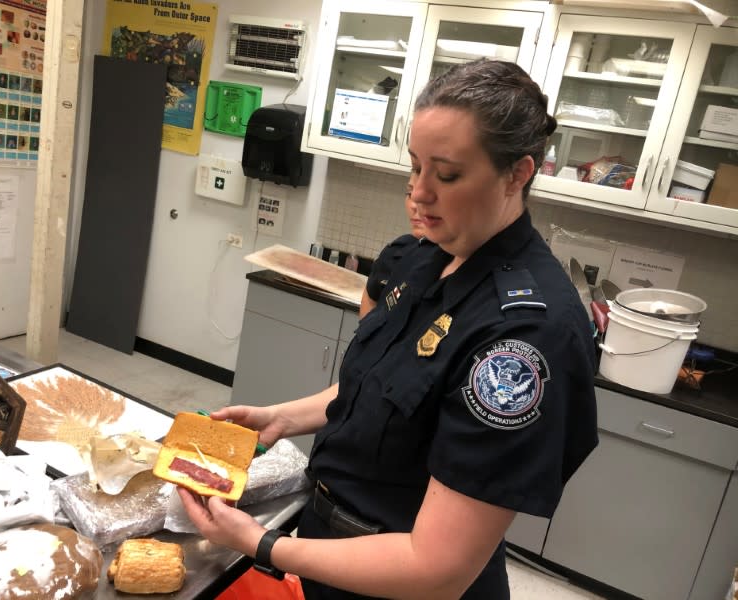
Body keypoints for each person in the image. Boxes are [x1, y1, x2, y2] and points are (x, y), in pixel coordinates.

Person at [178, 59, 598, 599]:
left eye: (446, 175)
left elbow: (436, 568)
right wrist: (281, 417)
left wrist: (261, 543)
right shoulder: (421, 259)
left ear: (517, 174)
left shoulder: (524, 338)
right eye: (416, 167)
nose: (420, 194)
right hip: (331, 555)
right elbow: (375, 390)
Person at [359, 176, 428, 319]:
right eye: (410, 194)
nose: (414, 205)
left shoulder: (456, 268)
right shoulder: (394, 253)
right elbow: (370, 299)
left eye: (427, 195)